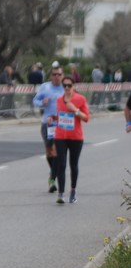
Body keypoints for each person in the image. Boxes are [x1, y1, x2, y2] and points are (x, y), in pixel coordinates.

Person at [53, 75, 89, 204]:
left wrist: (75, 110)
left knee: (73, 165)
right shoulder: (58, 100)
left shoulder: (80, 99)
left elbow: (86, 118)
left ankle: (73, 191)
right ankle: (61, 193)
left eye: (69, 85)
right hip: (60, 136)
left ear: (74, 86)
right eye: (64, 85)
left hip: (75, 137)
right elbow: (59, 117)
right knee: (61, 164)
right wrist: (52, 119)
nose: (67, 88)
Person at [33, 65, 64, 192]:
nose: (56, 77)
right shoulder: (45, 87)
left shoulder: (66, 87)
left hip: (61, 124)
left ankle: (52, 179)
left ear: (62, 76)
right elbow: (35, 100)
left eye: (59, 74)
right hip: (47, 123)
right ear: (51, 76)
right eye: (54, 74)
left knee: (56, 151)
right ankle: (53, 173)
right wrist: (42, 103)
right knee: (49, 151)